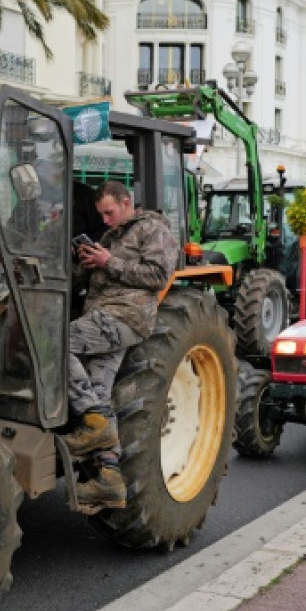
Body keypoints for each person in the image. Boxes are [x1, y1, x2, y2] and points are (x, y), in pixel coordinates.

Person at [63, 181, 179, 513]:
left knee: (55, 345)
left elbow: (158, 275)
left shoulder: (153, 229)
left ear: (126, 203)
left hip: (126, 317)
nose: (106, 220)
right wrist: (87, 264)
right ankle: (109, 481)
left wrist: (109, 262)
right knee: (100, 391)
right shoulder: (110, 237)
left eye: (109, 213)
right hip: (104, 314)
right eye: (101, 215)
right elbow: (105, 274)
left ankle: (93, 423)